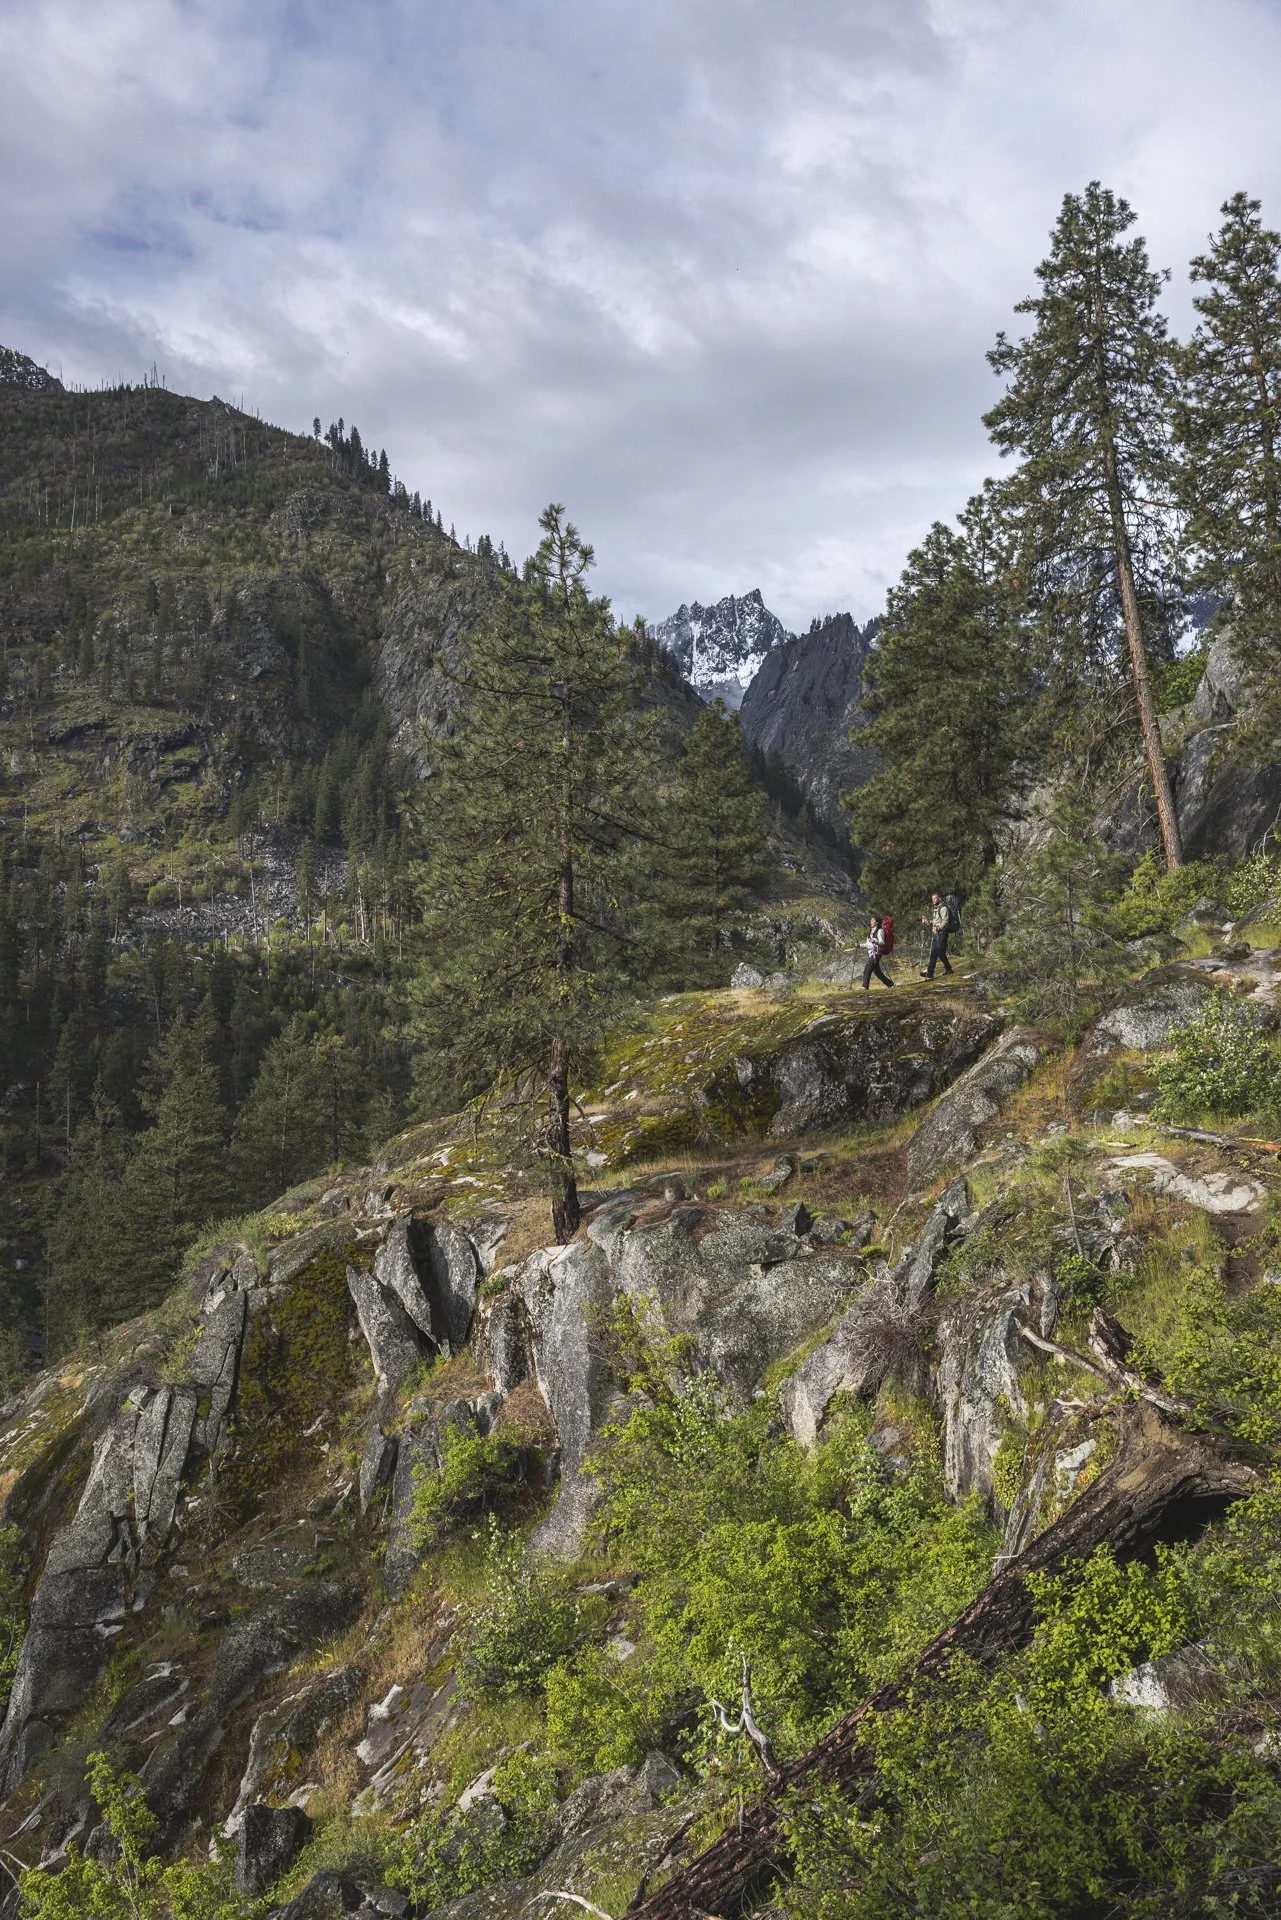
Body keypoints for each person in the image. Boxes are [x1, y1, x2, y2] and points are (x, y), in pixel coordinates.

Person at [921, 890, 953, 979]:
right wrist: (927, 922)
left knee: (940, 952)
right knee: (933, 953)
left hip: (942, 933)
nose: (933, 900)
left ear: (939, 898)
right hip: (936, 933)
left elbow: (945, 921)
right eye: (932, 899)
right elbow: (936, 922)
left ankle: (948, 969)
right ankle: (930, 973)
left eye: (935, 898)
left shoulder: (943, 908)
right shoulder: (936, 908)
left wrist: (938, 928)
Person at [862, 914, 894, 990]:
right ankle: (890, 984)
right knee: (877, 972)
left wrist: (875, 941)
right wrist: (860, 945)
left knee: (867, 969)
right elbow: (868, 944)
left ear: (876, 922)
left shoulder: (880, 931)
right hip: (871, 954)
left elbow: (882, 942)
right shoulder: (871, 932)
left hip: (876, 954)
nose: (871, 922)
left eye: (872, 920)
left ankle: (864, 987)